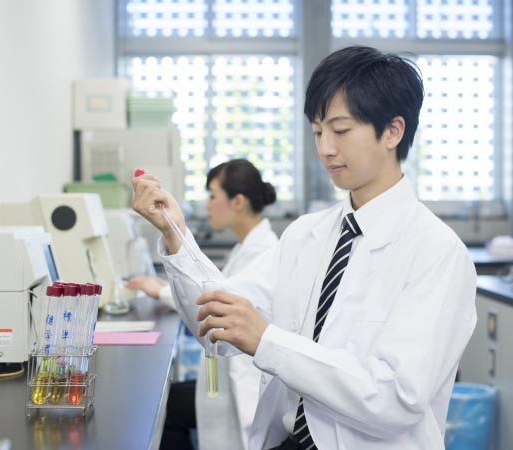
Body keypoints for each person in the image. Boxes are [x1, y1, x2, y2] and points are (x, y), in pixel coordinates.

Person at [132, 46, 477, 450]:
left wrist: (268, 341)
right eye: (317, 131)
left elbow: (394, 398)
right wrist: (174, 232)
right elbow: (218, 325)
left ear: (392, 131)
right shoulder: (305, 235)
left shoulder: (438, 252)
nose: (325, 148)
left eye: (340, 130)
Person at [129, 158, 278, 450]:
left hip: (245, 388)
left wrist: (162, 288)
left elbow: (218, 302)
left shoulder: (265, 252)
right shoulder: (245, 247)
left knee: (169, 406)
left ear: (238, 202)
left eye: (212, 196)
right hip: (229, 374)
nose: (207, 205)